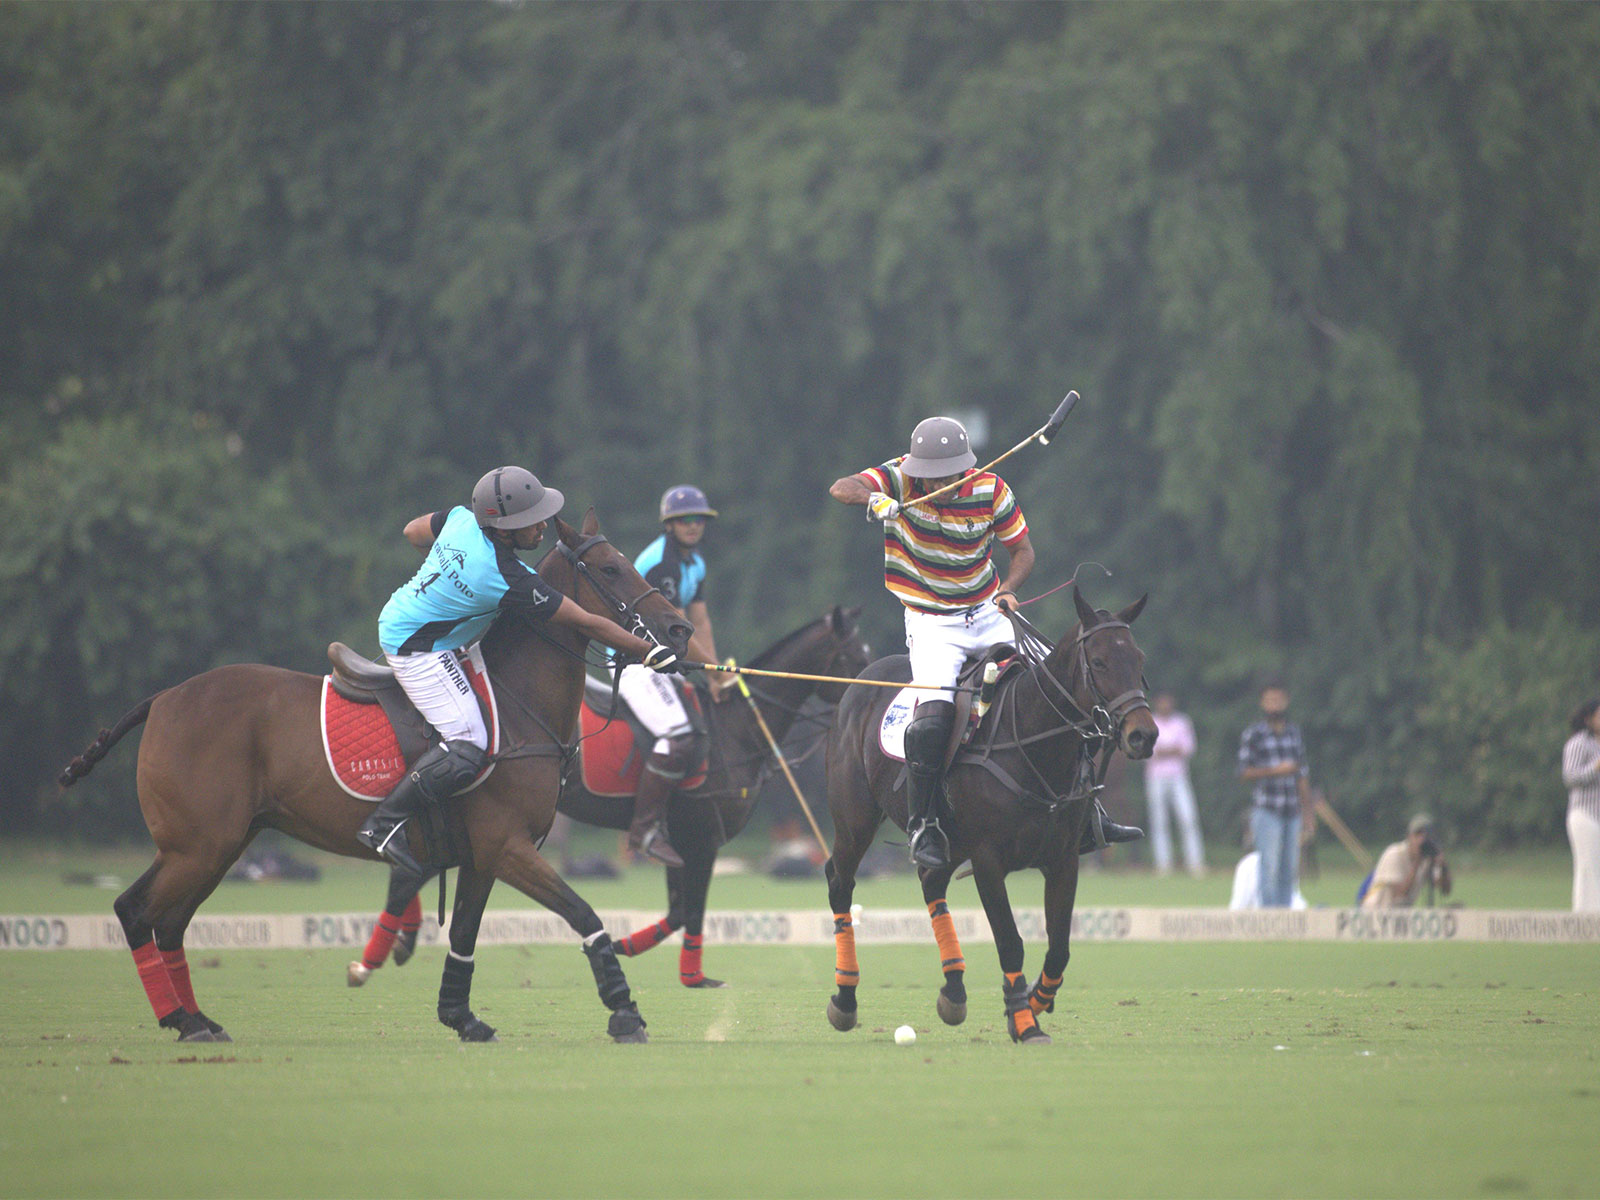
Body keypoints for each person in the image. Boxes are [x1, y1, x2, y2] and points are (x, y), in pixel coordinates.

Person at [830, 415, 1140, 870]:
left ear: (963, 466)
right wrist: (876, 501)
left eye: (945, 474)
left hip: (988, 610)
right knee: (932, 717)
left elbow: (1023, 551)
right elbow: (842, 487)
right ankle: (925, 824)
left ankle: (1088, 810)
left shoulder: (992, 490)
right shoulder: (900, 477)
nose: (936, 481)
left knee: (1063, 690)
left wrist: (1009, 588)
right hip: (932, 622)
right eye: (928, 474)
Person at [356, 466, 681, 878]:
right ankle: (384, 823)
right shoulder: (507, 577)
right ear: (504, 530)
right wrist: (648, 650)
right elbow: (584, 621)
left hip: (407, 617)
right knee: (471, 743)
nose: (542, 525)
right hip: (417, 648)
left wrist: (445, 580)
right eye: (532, 521)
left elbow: (412, 531)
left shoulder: (459, 520)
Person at [614, 484, 734, 868]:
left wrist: (715, 674)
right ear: (669, 524)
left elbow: (700, 619)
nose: (693, 525)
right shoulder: (661, 563)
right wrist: (713, 671)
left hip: (664, 664)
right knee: (680, 736)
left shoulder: (694, 563)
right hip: (635, 662)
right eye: (684, 519)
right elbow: (677, 628)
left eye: (699, 519)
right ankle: (644, 830)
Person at [1237, 683, 1311, 908]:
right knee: (1268, 866)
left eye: (1278, 699)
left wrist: (1308, 812)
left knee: (1289, 868)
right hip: (1267, 809)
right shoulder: (1254, 734)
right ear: (1262, 703)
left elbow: (1302, 774)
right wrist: (1275, 771)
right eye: (1270, 700)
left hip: (1292, 809)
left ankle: (1285, 915)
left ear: (1286, 701)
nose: (1274, 704)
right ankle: (1268, 916)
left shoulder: (1293, 732)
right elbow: (1243, 772)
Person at [1145, 692, 1206, 876]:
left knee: (1188, 818)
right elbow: (1148, 750)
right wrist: (1171, 750)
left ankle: (1195, 863)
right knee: (1159, 821)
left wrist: (1164, 750)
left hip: (1179, 776)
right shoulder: (1150, 721)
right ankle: (1163, 864)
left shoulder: (1182, 722)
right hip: (1155, 777)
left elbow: (1187, 748)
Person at [1361, 813, 1452, 908]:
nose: (1422, 839)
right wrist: (1417, 863)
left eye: (1426, 835)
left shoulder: (1427, 858)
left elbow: (1445, 890)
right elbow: (1399, 895)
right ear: (1409, 836)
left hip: (1401, 915)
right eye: (1417, 834)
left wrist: (1443, 866)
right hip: (1375, 911)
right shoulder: (1394, 854)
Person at [1561, 698, 1600, 912]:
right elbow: (1571, 777)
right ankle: (1587, 915)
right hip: (1585, 815)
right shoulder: (1578, 743)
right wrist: (1595, 768)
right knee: (1588, 867)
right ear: (1588, 719)